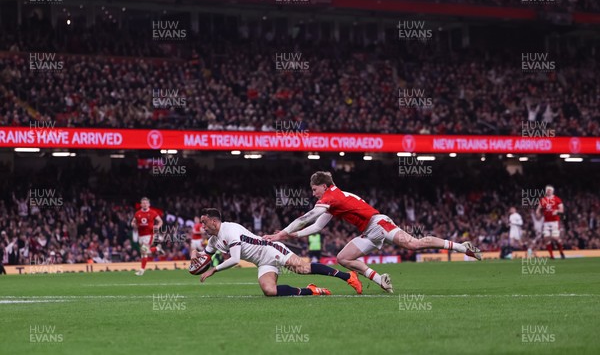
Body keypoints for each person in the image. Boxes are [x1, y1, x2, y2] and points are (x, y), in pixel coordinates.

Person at [264, 171, 482, 293]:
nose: (313, 194)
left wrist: (281, 234)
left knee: (413, 244)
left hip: (378, 223)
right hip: (368, 232)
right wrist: (295, 235)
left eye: (314, 189)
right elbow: (318, 226)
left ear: (322, 186)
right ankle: (381, 279)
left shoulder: (331, 196)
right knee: (343, 258)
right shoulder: (333, 199)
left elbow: (308, 217)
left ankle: (464, 247)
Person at [196, 208, 362, 296]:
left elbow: (235, 259)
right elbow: (205, 256)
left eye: (204, 222)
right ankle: (310, 290)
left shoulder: (229, 230)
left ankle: (348, 276)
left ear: (214, 221)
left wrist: (213, 270)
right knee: (269, 290)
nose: (202, 226)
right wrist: (196, 261)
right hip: (262, 262)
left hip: (270, 249)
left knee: (303, 268)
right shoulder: (213, 240)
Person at [131, 197, 164, 275]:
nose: (145, 204)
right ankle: (157, 248)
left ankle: (142, 270)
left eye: (146, 203)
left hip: (149, 235)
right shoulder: (137, 213)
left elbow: (160, 221)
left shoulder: (153, 212)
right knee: (144, 253)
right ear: (141, 204)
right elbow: (133, 222)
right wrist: (134, 225)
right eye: (143, 203)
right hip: (140, 236)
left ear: (149, 204)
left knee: (144, 250)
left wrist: (158, 227)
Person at [536, 185, 565, 259]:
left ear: (552, 191)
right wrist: (538, 213)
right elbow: (538, 208)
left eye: (550, 190)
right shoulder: (543, 199)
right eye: (547, 190)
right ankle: (551, 256)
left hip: (555, 221)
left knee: (555, 238)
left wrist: (557, 211)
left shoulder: (557, 199)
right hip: (546, 222)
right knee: (546, 238)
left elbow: (562, 210)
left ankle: (561, 251)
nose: (548, 191)